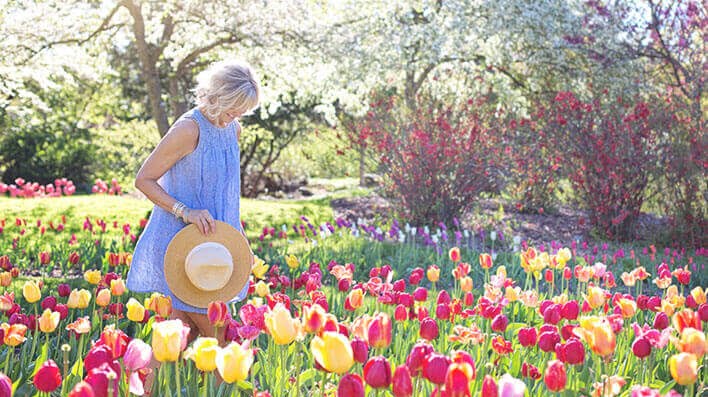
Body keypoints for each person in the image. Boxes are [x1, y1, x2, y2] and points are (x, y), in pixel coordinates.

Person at [126, 60, 259, 341]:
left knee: (179, 337)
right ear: (217, 96)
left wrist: (239, 240)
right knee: (223, 340)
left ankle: (136, 385)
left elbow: (227, 194)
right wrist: (185, 211)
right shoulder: (189, 129)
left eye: (241, 112)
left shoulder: (233, 129)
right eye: (233, 108)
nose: (235, 116)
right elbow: (144, 179)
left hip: (216, 247)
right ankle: (238, 386)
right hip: (186, 246)